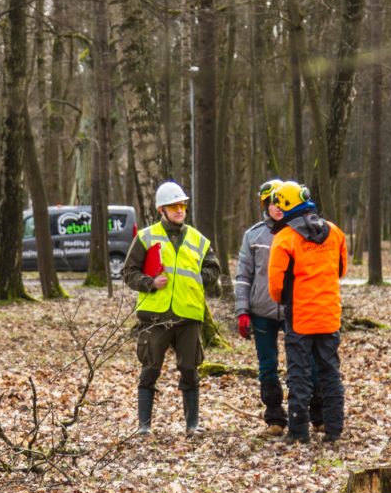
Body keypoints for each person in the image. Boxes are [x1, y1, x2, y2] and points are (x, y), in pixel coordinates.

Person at [122, 181, 221, 437]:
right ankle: (144, 426)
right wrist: (149, 283)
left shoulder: (198, 239)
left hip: (188, 315)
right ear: (161, 210)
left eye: (182, 205)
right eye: (173, 206)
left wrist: (199, 279)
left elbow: (213, 269)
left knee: (190, 370)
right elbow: (128, 272)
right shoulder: (145, 237)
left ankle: (192, 425)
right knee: (150, 369)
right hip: (155, 316)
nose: (179, 210)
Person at [267, 181, 348, 444]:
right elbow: (341, 270)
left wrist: (287, 300)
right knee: (330, 374)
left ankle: (299, 432)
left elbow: (275, 286)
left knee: (299, 375)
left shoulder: (285, 238)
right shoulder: (335, 232)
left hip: (300, 318)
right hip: (329, 316)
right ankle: (334, 429)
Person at [234, 180, 288, 437]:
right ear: (265, 204)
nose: (277, 207)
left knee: (304, 364)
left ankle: (314, 414)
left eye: (281, 202)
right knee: (267, 365)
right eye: (272, 203)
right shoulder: (253, 235)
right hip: (261, 312)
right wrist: (242, 311)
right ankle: (275, 419)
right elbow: (244, 276)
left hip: (293, 310)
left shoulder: (298, 232)